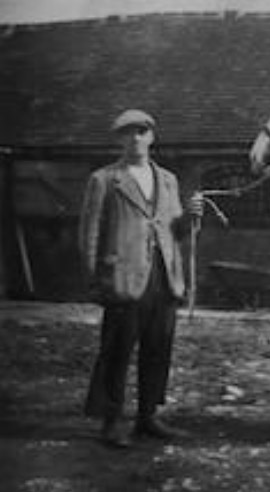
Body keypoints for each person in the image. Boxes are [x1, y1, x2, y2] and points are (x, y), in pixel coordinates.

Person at [79, 109, 203, 448]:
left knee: (158, 349)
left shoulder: (168, 180)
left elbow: (174, 230)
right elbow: (89, 234)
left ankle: (148, 416)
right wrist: (95, 279)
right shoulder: (104, 180)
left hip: (163, 277)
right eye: (127, 132)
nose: (135, 138)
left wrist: (189, 218)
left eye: (141, 131)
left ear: (152, 136)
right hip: (123, 277)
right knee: (116, 351)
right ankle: (111, 421)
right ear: (119, 139)